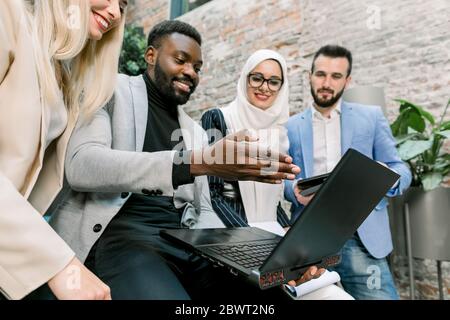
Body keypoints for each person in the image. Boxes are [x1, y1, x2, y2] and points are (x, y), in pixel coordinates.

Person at [50, 20, 312, 300]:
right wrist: (194, 163)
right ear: (150, 55)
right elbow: (82, 165)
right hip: (121, 238)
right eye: (180, 60)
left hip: (183, 241)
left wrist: (264, 253)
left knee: (272, 294)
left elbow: (204, 211)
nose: (190, 72)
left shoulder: (195, 132)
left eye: (197, 67)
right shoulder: (111, 89)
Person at [0, 0, 129, 300]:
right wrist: (60, 265)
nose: (114, 12)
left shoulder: (63, 76)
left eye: (123, 5)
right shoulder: (8, 13)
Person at [201, 49, 353, 300]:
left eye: (274, 81)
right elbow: (214, 194)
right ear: (244, 78)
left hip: (270, 238)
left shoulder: (279, 132)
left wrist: (288, 232)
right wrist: (258, 245)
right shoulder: (218, 118)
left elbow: (271, 198)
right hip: (229, 238)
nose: (265, 87)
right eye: (257, 78)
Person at [284, 45, 412, 300]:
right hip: (310, 237)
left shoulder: (371, 117)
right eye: (320, 74)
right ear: (309, 76)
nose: (326, 83)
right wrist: (294, 191)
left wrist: (382, 177)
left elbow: (401, 169)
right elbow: (282, 181)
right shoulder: (291, 126)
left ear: (348, 80)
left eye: (336, 76)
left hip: (361, 236)